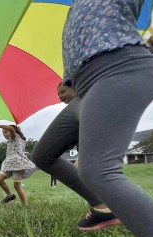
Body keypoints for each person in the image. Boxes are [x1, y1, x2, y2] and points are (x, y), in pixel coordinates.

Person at [36, 0, 153, 237]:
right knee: (44, 154)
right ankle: (102, 209)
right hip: (87, 87)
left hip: (119, 70)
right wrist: (69, 81)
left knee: (98, 169)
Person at [32, 82, 120, 229]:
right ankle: (107, 205)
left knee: (44, 156)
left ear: (75, 87)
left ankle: (105, 207)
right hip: (90, 91)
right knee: (43, 157)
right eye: (58, 93)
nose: (60, 95)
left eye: (63, 91)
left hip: (100, 84)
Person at [0, 123, 35, 204]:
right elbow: (12, 129)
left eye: (6, 132)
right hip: (9, 165)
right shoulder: (14, 139)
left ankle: (25, 204)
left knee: (17, 186)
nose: (4, 134)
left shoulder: (15, 137)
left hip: (18, 165)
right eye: (3, 133)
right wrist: (19, 130)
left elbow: (11, 129)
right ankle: (9, 195)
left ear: (13, 131)